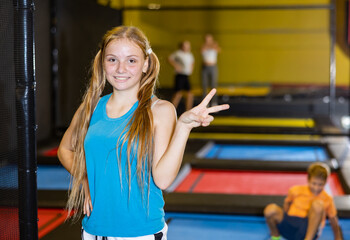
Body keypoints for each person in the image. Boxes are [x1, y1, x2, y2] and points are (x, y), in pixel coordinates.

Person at [57, 26, 229, 240]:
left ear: (146, 63)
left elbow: (163, 180)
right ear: (103, 62)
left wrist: (183, 128)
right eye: (112, 60)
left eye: (131, 60)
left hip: (139, 233)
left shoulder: (160, 110)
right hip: (93, 230)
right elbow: (65, 149)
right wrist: (84, 177)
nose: (121, 68)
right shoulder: (91, 107)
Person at [264, 162, 343, 240]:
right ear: (308, 180)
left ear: (325, 183)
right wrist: (284, 218)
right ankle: (276, 236)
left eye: (320, 184)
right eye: (314, 183)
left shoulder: (327, 198)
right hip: (290, 224)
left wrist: (338, 236)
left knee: (318, 205)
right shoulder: (295, 190)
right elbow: (287, 204)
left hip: (308, 230)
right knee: (270, 209)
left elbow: (333, 219)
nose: (316, 188)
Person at [168, 40, 194, 112]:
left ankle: (188, 110)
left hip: (186, 75)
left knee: (190, 94)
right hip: (180, 75)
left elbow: (192, 62)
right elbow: (169, 59)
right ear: (182, 46)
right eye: (186, 46)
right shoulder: (178, 53)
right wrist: (176, 65)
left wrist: (191, 68)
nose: (187, 47)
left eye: (188, 46)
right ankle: (171, 110)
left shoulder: (189, 54)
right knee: (178, 94)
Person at [201, 34, 221, 105]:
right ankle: (205, 104)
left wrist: (213, 45)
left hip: (213, 66)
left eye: (209, 39)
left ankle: (214, 102)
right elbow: (202, 50)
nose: (207, 41)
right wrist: (210, 45)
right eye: (206, 39)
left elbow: (219, 50)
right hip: (205, 67)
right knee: (204, 85)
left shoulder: (215, 45)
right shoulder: (203, 46)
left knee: (213, 85)